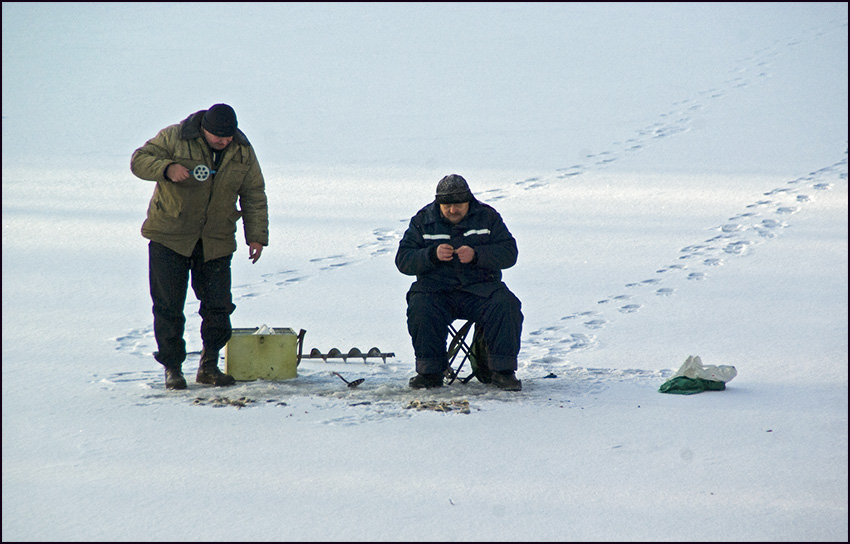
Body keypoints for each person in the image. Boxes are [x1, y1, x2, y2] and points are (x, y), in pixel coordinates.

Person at [130, 104, 269, 390]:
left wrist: (256, 236)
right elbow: (139, 160)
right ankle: (172, 368)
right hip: (170, 236)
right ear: (204, 128)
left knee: (218, 306)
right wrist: (166, 168)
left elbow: (254, 193)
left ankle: (209, 365)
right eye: (218, 136)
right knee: (168, 306)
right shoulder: (175, 137)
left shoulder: (242, 150)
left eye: (228, 136)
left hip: (215, 240)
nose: (224, 141)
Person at [395, 174, 524, 391]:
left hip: (481, 290)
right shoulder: (423, 221)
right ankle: (429, 373)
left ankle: (502, 372)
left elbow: (509, 253)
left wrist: (477, 255)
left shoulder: (488, 218)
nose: (453, 210)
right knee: (421, 305)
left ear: (469, 201)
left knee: (506, 304)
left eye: (458, 205)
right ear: (439, 203)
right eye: (447, 205)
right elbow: (403, 260)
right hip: (436, 291)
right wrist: (431, 255)